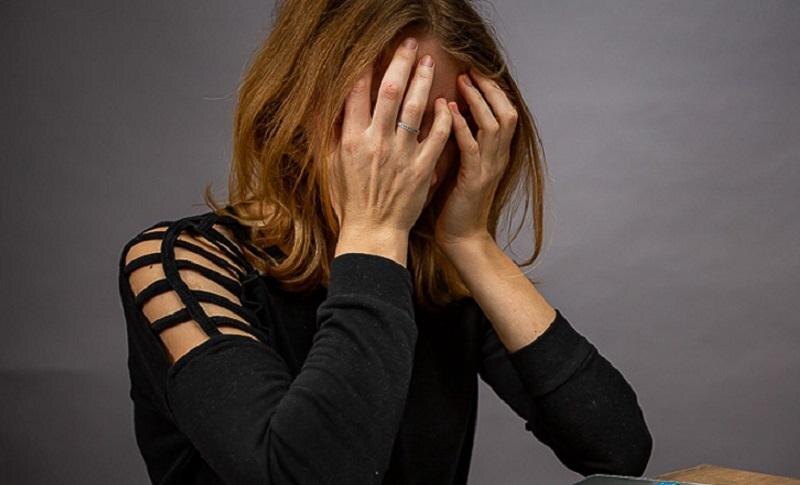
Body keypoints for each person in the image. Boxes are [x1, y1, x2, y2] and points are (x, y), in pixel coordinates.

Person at [117, 1, 653, 483]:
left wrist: (470, 241)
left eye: (439, 128)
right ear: (294, 112)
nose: (408, 162)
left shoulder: (433, 269)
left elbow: (616, 450)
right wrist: (374, 233)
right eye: (384, 122)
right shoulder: (176, 265)